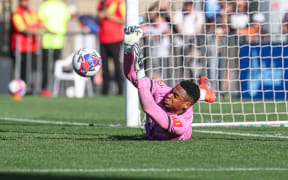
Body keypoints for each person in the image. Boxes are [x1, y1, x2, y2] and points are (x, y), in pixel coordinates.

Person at [123, 26, 215, 141]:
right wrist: (128, 49)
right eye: (172, 92)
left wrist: (141, 75)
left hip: (178, 119)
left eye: (175, 96)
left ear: (185, 105)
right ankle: (204, 92)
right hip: (179, 105)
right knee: (161, 88)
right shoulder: (164, 91)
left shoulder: (180, 126)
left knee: (188, 96)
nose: (169, 95)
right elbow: (131, 76)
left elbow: (150, 108)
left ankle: (204, 92)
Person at [38, 0, 71, 97]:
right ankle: (57, 89)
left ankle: (46, 89)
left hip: (48, 42)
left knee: (47, 67)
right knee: (57, 67)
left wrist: (50, 31)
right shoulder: (62, 6)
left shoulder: (44, 6)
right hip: (58, 42)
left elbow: (40, 23)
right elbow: (66, 24)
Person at [11, 0, 41, 94]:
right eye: (24, 1)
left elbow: (39, 23)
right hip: (20, 48)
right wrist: (36, 31)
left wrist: (50, 31)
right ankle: (18, 90)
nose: (26, 3)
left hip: (31, 47)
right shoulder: (16, 13)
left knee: (29, 70)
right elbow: (22, 28)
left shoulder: (32, 12)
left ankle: (28, 89)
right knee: (20, 70)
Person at [97, 0, 125, 95]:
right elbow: (99, 21)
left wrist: (108, 16)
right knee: (104, 67)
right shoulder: (101, 4)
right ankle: (105, 90)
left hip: (115, 40)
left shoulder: (118, 4)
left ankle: (120, 90)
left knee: (117, 65)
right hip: (103, 39)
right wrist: (100, 17)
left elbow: (123, 20)